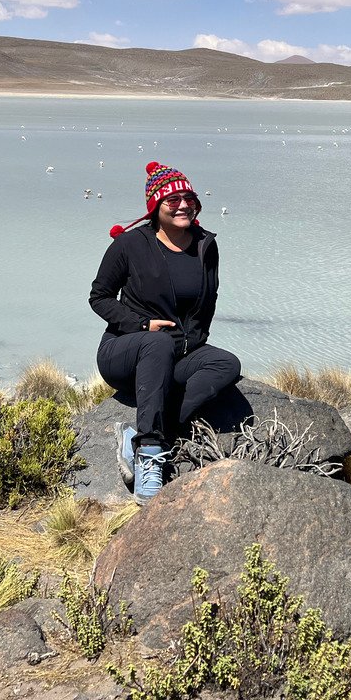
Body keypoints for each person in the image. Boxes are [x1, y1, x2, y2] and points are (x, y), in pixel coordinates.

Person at [89, 161, 242, 504]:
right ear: (156, 207)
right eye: (173, 201)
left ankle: (140, 434)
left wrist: (195, 341)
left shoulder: (205, 244)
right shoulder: (130, 245)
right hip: (125, 351)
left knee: (226, 364)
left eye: (188, 198)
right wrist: (141, 325)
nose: (183, 205)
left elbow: (208, 300)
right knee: (156, 342)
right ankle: (150, 454)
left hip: (178, 352)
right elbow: (99, 297)